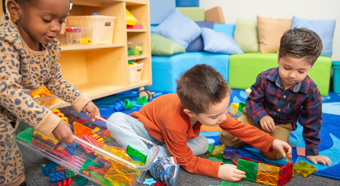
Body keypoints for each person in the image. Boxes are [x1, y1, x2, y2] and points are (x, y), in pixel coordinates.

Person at [106, 64, 292, 185]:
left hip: (169, 141)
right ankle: (150, 160)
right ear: (190, 112)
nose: (221, 119)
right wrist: (217, 170)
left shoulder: (212, 110)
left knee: (203, 143)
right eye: (214, 117)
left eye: (223, 111)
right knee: (115, 120)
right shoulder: (176, 120)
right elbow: (187, 162)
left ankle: (156, 156)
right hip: (145, 132)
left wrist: (271, 142)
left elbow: (238, 127)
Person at [0, 0, 100, 185]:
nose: (56, 28)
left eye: (61, 21)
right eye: (47, 19)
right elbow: (7, 90)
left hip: (9, 108)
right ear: (15, 10)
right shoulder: (6, 40)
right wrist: (51, 123)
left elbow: (54, 79)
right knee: (5, 150)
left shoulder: (50, 44)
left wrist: (81, 100)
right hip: (4, 97)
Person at [219, 28, 332, 166]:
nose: (292, 75)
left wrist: (312, 151)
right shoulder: (265, 77)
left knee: (277, 154)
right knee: (226, 138)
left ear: (312, 65)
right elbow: (253, 100)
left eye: (301, 71)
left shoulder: (311, 90)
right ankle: (258, 136)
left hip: (280, 124)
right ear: (279, 58)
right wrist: (262, 117)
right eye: (287, 68)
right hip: (253, 117)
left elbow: (312, 122)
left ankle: (258, 137)